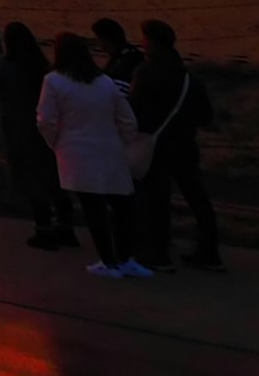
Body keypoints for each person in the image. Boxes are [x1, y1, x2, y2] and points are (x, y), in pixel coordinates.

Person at [37, 31, 147, 276]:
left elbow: (46, 120)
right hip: (110, 150)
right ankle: (125, 258)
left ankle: (108, 262)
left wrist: (55, 144)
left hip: (76, 151)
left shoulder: (54, 81)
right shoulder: (104, 81)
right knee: (120, 205)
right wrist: (121, 142)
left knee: (93, 208)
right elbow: (127, 120)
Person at [131, 20, 223, 270]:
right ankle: (209, 251)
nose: (142, 44)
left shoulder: (145, 73)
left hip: (156, 147)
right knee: (198, 199)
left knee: (156, 201)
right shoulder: (189, 78)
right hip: (184, 146)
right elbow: (206, 116)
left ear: (152, 42)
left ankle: (158, 254)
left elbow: (134, 111)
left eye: (145, 40)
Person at [0, 21, 72, 248]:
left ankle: (43, 230)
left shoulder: (9, 68)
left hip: (20, 130)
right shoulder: (41, 66)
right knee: (54, 178)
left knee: (31, 180)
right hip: (47, 131)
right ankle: (66, 227)